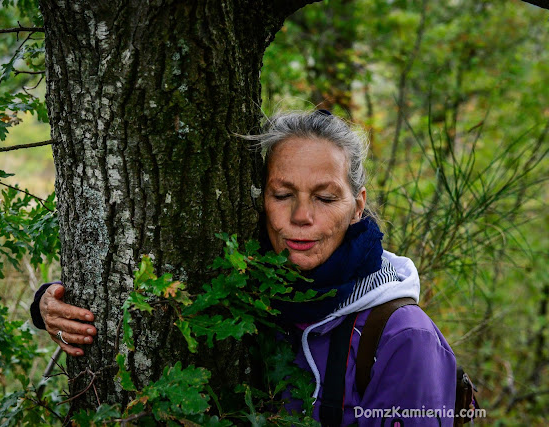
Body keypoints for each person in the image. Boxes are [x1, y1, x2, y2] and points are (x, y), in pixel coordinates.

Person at [30, 110, 456, 425]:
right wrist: (54, 302)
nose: (302, 217)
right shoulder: (247, 283)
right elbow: (150, 282)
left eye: (326, 198)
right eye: (283, 194)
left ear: (357, 206)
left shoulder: (403, 337)